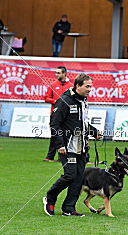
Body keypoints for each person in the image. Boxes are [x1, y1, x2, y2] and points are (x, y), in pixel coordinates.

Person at [43, 73, 102, 217]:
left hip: (81, 146)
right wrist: (59, 144)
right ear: (77, 86)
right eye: (87, 86)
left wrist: (94, 132)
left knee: (79, 177)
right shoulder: (64, 101)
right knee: (69, 175)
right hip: (67, 147)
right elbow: (54, 124)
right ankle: (50, 198)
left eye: (91, 86)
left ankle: (69, 207)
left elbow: (82, 123)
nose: (90, 89)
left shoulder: (83, 100)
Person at [44, 66, 73, 162]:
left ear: (65, 74)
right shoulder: (52, 85)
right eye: (56, 73)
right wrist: (55, 101)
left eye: (58, 73)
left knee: (67, 135)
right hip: (55, 114)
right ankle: (50, 156)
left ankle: (65, 157)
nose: (56, 75)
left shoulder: (71, 86)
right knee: (54, 135)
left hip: (67, 115)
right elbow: (46, 98)